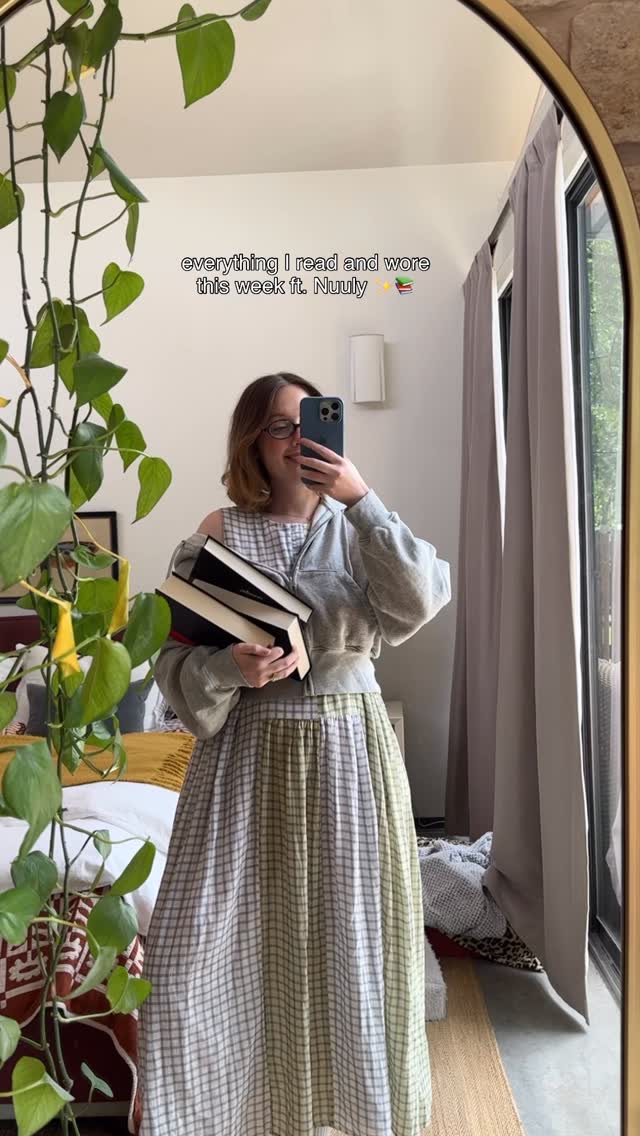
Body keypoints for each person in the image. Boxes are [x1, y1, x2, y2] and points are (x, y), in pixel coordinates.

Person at [137, 372, 451, 1136]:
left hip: (349, 756)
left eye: (311, 422)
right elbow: (171, 663)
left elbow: (421, 600)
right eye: (280, 425)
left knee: (353, 938)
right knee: (204, 951)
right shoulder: (218, 530)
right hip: (245, 761)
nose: (298, 438)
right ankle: (234, 1114)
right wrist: (228, 667)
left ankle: (353, 1112)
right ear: (253, 441)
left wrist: (362, 498)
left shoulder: (359, 526)